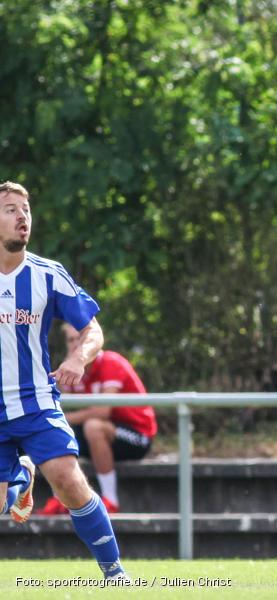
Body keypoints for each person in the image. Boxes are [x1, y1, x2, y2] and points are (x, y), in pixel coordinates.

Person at [0, 181, 127, 579]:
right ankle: (20, 478)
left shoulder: (48, 274)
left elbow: (93, 331)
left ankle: (115, 574)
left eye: (26, 209)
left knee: (68, 481)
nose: (23, 216)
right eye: (10, 209)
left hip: (36, 401)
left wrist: (78, 359)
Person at [38, 323, 156, 515]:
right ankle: (62, 499)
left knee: (92, 427)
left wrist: (64, 418)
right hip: (99, 433)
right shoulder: (75, 370)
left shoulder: (111, 363)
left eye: (80, 339)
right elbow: (56, 398)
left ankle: (110, 500)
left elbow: (103, 411)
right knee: (55, 434)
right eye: (71, 340)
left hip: (137, 435)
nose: (76, 344)